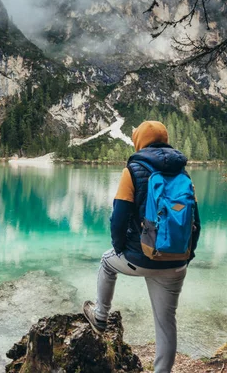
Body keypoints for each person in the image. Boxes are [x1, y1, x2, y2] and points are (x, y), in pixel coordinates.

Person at [83, 120, 201, 373]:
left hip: (140, 258)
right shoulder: (184, 174)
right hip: (176, 260)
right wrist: (185, 257)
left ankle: (100, 316)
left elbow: (119, 217)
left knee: (107, 262)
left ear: (140, 141)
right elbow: (196, 221)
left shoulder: (133, 170)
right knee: (166, 322)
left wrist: (120, 248)